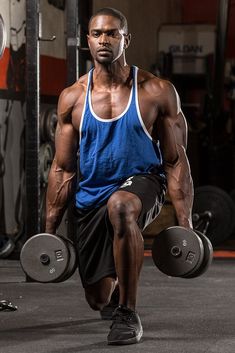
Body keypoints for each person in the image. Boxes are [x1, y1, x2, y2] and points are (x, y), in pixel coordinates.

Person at [45, 7, 194, 346]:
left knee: (122, 206)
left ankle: (128, 312)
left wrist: (185, 225)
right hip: (89, 195)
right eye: (97, 34)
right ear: (87, 40)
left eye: (112, 33)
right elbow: (63, 168)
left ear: (127, 39)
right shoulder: (72, 98)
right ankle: (113, 296)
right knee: (97, 298)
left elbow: (175, 160)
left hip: (141, 184)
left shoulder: (156, 91)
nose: (104, 40)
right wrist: (48, 232)